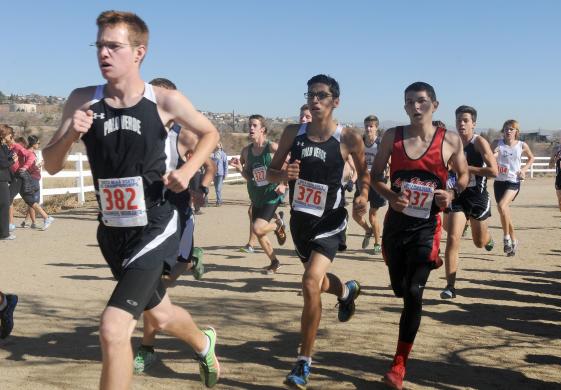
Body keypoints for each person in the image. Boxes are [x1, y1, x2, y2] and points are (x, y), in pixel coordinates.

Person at [42, 11, 220, 389]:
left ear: (139, 52)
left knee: (113, 328)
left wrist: (188, 173)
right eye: (100, 45)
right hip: (113, 230)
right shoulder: (82, 99)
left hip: (157, 223)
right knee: (162, 313)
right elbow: (52, 165)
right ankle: (204, 343)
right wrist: (70, 135)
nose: (103, 53)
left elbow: (210, 134)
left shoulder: (164, 100)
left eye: (113, 46)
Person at [267, 74, 368, 388]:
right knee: (319, 282)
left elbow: (365, 174)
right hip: (301, 222)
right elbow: (270, 173)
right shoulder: (292, 133)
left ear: (335, 101)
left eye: (322, 95)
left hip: (330, 221)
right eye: (311, 94)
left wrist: (363, 196)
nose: (315, 100)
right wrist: (282, 173)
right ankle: (347, 291)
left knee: (309, 282)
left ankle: (303, 362)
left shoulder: (347, 137)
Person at [370, 82, 468, 390]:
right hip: (396, 227)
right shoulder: (392, 137)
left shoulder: (449, 140)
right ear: (404, 107)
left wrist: (451, 192)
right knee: (400, 289)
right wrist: (389, 195)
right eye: (409, 102)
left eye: (422, 101)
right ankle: (417, 263)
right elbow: (373, 177)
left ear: (434, 106)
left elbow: (463, 175)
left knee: (413, 292)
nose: (416, 107)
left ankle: (399, 364)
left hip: (428, 227)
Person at [131, 77, 210, 373]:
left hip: (174, 216)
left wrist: (197, 183)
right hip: (143, 216)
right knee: (152, 286)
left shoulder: (184, 136)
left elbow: (209, 164)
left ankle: (148, 347)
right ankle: (191, 260)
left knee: (152, 285)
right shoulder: (139, 131)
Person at [440, 105, 498, 300]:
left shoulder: (479, 142)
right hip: (458, 196)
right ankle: (450, 286)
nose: (461, 124)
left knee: (479, 242)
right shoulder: (450, 142)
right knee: (452, 238)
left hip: (477, 197)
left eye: (465, 120)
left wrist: (467, 168)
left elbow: (494, 171)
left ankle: (488, 239)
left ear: (474, 123)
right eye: (458, 120)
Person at [229, 115, 287, 273]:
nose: (251, 128)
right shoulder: (246, 151)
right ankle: (274, 262)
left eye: (254, 125)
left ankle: (278, 224)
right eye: (249, 125)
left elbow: (291, 165)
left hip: (272, 194)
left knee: (258, 228)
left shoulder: (272, 148)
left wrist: (283, 183)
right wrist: (240, 169)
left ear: (263, 130)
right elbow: (249, 176)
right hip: (256, 196)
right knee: (259, 232)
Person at [492, 119, 534, 255]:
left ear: (516, 131)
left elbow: (531, 158)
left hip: (513, 181)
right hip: (499, 182)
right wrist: (493, 154)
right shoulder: (497, 144)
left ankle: (506, 239)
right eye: (506, 128)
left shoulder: (521, 145)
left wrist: (524, 170)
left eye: (511, 129)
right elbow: (489, 157)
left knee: (502, 206)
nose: (508, 131)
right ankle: (514, 240)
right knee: (504, 211)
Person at [352, 115, 386, 254]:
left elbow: (387, 160)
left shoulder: (380, 143)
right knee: (355, 215)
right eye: (366, 125)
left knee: (373, 215)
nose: (368, 128)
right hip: (362, 181)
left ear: (376, 128)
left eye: (371, 126)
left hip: (377, 183)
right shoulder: (360, 142)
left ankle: (378, 243)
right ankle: (368, 230)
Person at [17, 135, 55, 229]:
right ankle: (41, 220)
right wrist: (39, 165)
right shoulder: (28, 153)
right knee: (33, 201)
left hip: (35, 178)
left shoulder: (32, 153)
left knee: (33, 201)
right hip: (32, 179)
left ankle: (27, 222)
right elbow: (27, 169)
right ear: (33, 144)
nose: (39, 145)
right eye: (38, 143)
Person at [0, 125, 15, 240]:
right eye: (10, 134)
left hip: (3, 179)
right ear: (4, 135)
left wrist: (10, 152)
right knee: (4, 205)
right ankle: (4, 234)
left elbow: (6, 156)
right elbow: (3, 164)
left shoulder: (3, 146)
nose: (11, 136)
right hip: (1, 180)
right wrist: (12, 161)